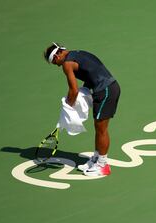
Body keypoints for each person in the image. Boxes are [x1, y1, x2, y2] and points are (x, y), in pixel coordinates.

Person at [44, 42, 121, 177]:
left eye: (55, 63)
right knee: (98, 127)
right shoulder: (78, 53)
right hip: (107, 88)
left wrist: (68, 107)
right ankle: (96, 159)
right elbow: (93, 71)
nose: (58, 66)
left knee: (101, 129)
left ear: (57, 56)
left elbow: (73, 90)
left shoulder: (67, 64)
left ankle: (103, 166)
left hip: (106, 91)